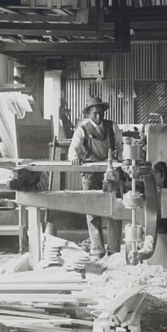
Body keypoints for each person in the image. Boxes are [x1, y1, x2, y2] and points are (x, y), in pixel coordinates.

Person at [67, 98, 118, 259]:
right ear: (88, 114)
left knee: (114, 209)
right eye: (95, 113)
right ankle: (97, 249)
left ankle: (114, 249)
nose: (99, 116)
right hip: (90, 174)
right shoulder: (82, 130)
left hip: (110, 171)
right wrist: (74, 157)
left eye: (101, 113)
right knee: (92, 211)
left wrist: (121, 159)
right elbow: (73, 148)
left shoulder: (112, 127)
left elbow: (121, 146)